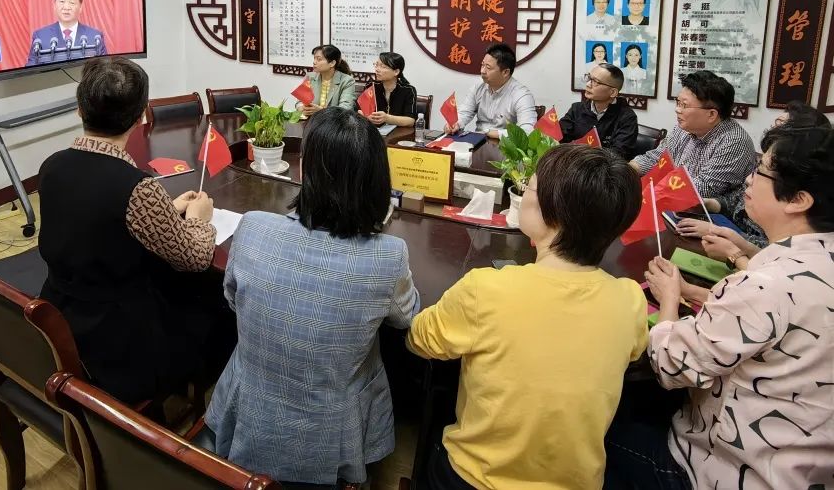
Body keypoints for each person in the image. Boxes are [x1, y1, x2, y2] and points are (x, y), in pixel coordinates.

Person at [605, 125, 834, 490]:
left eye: (760, 170)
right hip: (806, 467)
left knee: (600, 425)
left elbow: (669, 366)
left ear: (798, 200)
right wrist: (699, 291)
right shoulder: (810, 264)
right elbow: (777, 318)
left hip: (723, 469)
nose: (748, 179)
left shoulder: (763, 285)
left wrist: (669, 300)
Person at [407, 144, 647, 490]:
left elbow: (419, 339)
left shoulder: (486, 289)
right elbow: (637, 349)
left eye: (529, 188)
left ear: (554, 216)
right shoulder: (630, 299)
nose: (521, 194)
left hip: (476, 478)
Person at [204, 108, 420, 487]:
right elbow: (407, 317)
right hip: (332, 432)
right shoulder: (388, 255)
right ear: (377, 181)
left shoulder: (253, 227)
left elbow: (234, 300)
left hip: (249, 410)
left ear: (304, 171)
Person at [37, 57, 232, 405]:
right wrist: (200, 218)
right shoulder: (137, 188)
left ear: (80, 109)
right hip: (120, 343)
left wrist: (165, 210)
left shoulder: (51, 165)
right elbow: (195, 259)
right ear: (141, 115)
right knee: (220, 304)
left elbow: (94, 220)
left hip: (61, 315)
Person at [676, 101, 830, 260]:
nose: (749, 179)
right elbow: (737, 199)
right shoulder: (767, 167)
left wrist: (734, 246)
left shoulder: (792, 184)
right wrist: (709, 204)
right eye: (775, 124)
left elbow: (777, 250)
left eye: (781, 127)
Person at [631, 70, 754, 212]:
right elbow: (656, 159)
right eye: (678, 102)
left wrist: (652, 192)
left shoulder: (734, 142)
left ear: (711, 114)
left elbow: (702, 189)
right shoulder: (683, 128)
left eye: (684, 105)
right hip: (669, 204)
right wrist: (627, 170)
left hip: (707, 217)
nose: (677, 110)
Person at [444, 42, 537, 139]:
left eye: (488, 67)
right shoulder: (478, 88)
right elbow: (465, 113)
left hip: (505, 145)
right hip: (479, 142)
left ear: (505, 72)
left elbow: (527, 132)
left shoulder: (522, 95)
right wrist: (455, 123)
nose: (482, 71)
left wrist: (489, 132)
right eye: (482, 65)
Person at [560, 63, 638, 158]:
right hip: (572, 161)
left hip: (603, 166)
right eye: (589, 78)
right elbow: (559, 137)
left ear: (613, 92)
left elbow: (618, 155)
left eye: (596, 82)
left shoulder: (627, 118)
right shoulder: (577, 108)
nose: (588, 84)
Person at [25, 0, 107, 66]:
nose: (66, 7)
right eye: (62, 2)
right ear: (54, 5)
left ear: (80, 7)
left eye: (72, 3)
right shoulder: (41, 36)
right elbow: (31, 69)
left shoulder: (95, 36)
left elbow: (104, 68)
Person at [300, 44, 356, 115]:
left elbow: (345, 109)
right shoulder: (310, 77)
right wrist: (302, 108)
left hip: (335, 121)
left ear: (332, 63)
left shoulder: (347, 81)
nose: (314, 62)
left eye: (319, 59)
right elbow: (299, 101)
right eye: (314, 58)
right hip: (311, 119)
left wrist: (321, 111)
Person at [367, 51, 417, 127]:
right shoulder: (371, 86)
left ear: (396, 72)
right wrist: (367, 116)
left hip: (399, 132)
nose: (377, 69)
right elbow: (359, 110)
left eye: (383, 67)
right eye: (376, 65)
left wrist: (387, 118)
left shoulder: (408, 90)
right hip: (374, 130)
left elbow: (410, 121)